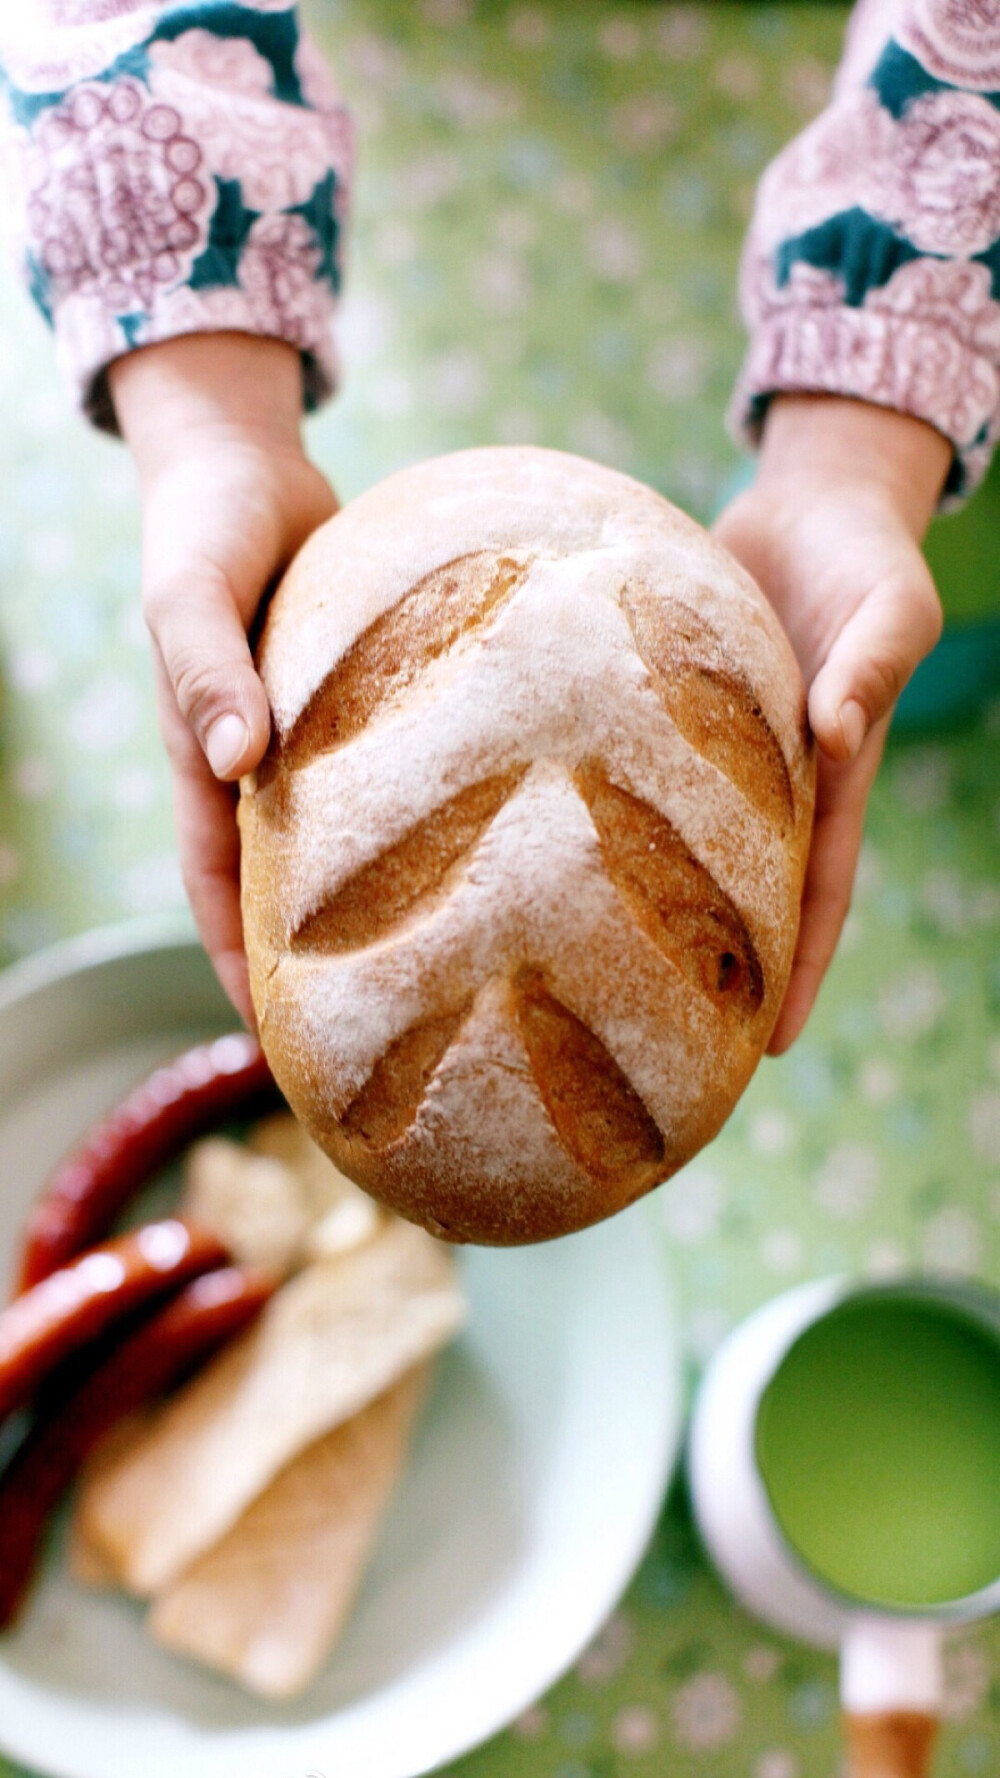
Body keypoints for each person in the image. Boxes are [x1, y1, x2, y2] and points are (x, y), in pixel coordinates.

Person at [0, 1, 987, 1051]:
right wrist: (212, 413)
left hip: (896, 138)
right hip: (369, 117)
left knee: (897, 654)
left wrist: (865, 436)